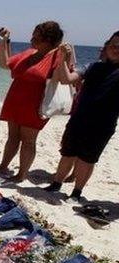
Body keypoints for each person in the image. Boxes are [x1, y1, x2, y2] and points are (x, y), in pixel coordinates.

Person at [44, 32, 119, 201]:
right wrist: (64, 58)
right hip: (79, 119)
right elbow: (66, 79)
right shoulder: (94, 67)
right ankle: (56, 184)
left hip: (102, 125)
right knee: (67, 153)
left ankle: (77, 192)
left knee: (87, 159)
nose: (116, 50)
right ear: (107, 47)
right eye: (113, 46)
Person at [0, 22, 64, 182]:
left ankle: (21, 174)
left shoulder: (55, 57)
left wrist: (66, 54)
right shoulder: (29, 53)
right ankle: (3, 166)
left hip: (35, 106)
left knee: (28, 140)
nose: (32, 38)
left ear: (48, 40)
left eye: (36, 36)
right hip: (15, 101)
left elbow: (64, 77)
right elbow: (5, 64)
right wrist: (3, 41)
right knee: (12, 137)